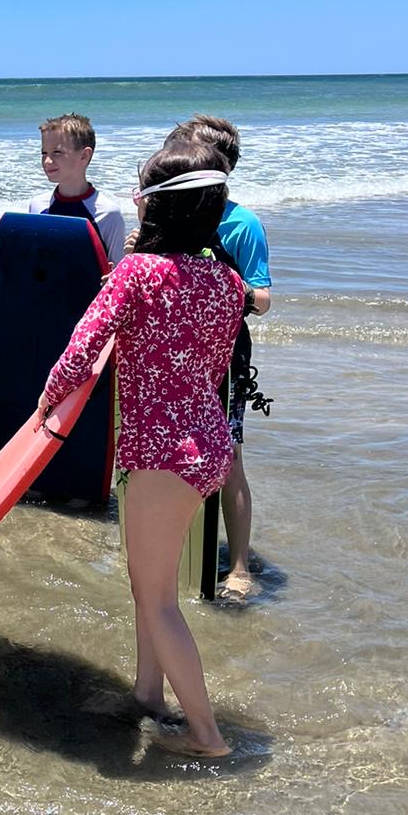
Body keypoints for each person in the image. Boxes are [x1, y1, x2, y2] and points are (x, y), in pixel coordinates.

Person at [37, 145, 246, 757]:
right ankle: (148, 694)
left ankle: (207, 736)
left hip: (159, 452)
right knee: (147, 585)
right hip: (206, 444)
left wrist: (43, 410)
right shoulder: (227, 282)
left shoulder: (138, 274)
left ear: (157, 206)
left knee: (157, 599)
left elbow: (80, 353)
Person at [161, 115, 272, 604]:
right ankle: (172, 551)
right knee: (170, 451)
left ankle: (241, 564)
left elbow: (264, 298)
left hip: (224, 351)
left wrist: (222, 287)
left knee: (228, 457)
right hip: (168, 347)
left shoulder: (242, 223)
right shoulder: (163, 214)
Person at [0, 113, 127, 269]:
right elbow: (27, 260)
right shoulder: (37, 206)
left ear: (84, 155)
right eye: (44, 153)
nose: (47, 161)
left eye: (57, 152)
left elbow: (118, 275)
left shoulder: (109, 213)